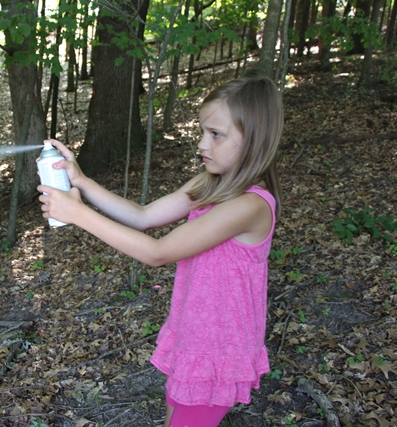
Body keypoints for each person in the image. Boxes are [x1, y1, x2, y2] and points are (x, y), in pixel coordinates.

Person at [37, 76, 283, 427]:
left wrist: (78, 214)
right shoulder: (209, 183)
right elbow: (144, 216)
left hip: (219, 349)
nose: (202, 144)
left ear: (254, 139)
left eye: (216, 134)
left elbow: (157, 253)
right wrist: (82, 182)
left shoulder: (250, 206)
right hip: (193, 335)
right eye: (202, 131)